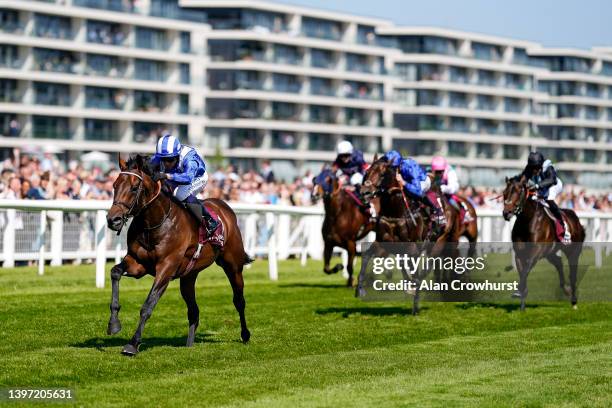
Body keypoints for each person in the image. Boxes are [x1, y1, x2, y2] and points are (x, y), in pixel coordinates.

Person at [150, 134, 219, 236]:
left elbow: (188, 178)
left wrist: (166, 175)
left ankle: (210, 220)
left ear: (177, 155)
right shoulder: (161, 156)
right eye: (163, 160)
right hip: (178, 174)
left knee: (180, 194)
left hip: (196, 177)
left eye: (170, 160)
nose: (166, 164)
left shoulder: (189, 158)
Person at [519, 151, 569, 243]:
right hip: (542, 186)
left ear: (541, 164)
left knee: (548, 199)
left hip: (554, 185)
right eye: (532, 168)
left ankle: (563, 224)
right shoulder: (530, 167)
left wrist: (537, 186)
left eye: (536, 168)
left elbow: (552, 179)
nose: (534, 170)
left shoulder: (548, 166)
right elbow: (522, 179)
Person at [382, 150, 441, 224]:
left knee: (411, 193)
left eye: (392, 168)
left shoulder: (410, 167)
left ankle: (435, 209)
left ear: (398, 165)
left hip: (422, 182)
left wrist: (404, 182)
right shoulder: (396, 166)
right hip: (410, 182)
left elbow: (418, 191)